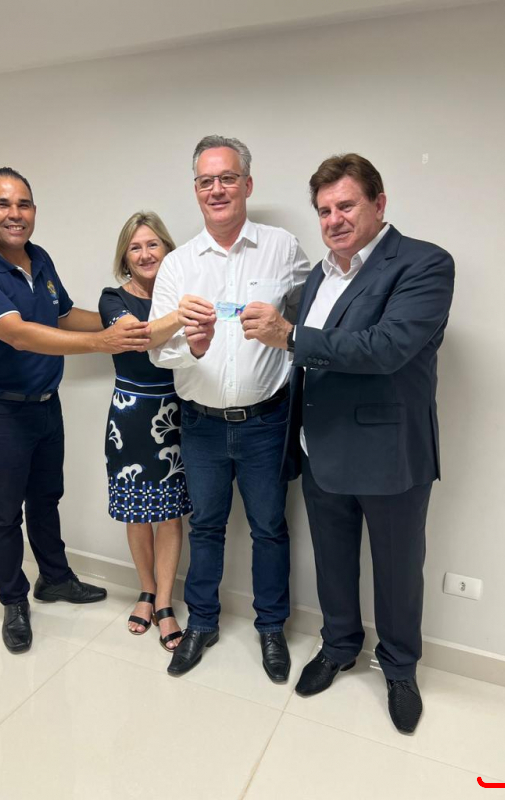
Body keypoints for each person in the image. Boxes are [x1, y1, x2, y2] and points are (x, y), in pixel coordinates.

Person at [241, 153, 455, 733]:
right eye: (324, 210)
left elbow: (387, 348)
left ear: (378, 204)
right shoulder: (318, 275)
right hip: (320, 446)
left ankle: (400, 667)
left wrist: (290, 335)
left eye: (346, 206)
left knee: (397, 568)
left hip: (390, 454)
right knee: (332, 560)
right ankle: (339, 645)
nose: (333, 219)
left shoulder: (424, 263)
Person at [0, 167, 150, 655]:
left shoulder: (39, 259)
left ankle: (54, 579)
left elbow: (62, 316)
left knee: (46, 498)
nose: (14, 214)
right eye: (2, 204)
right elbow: (18, 333)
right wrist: (103, 342)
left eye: (23, 204)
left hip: (45, 404)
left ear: (34, 211)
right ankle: (14, 601)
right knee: (4, 512)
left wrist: (128, 319)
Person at [149, 135, 310, 682]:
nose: (216, 189)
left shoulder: (282, 248)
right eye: (205, 181)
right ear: (195, 189)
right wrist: (190, 347)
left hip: (267, 422)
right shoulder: (177, 265)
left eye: (227, 178)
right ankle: (203, 623)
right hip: (201, 426)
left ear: (247, 184)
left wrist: (287, 333)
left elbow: (315, 313)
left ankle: (271, 628)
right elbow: (157, 347)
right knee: (206, 528)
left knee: (269, 529)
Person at [98, 212, 194, 650]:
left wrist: (181, 308)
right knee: (137, 512)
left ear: (167, 250)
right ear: (125, 257)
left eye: (152, 244)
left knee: (170, 513)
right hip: (131, 415)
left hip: (178, 411)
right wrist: (182, 314)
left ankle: (166, 602)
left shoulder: (181, 292)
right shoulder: (112, 299)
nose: (144, 254)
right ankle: (146, 591)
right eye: (135, 247)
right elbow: (138, 337)